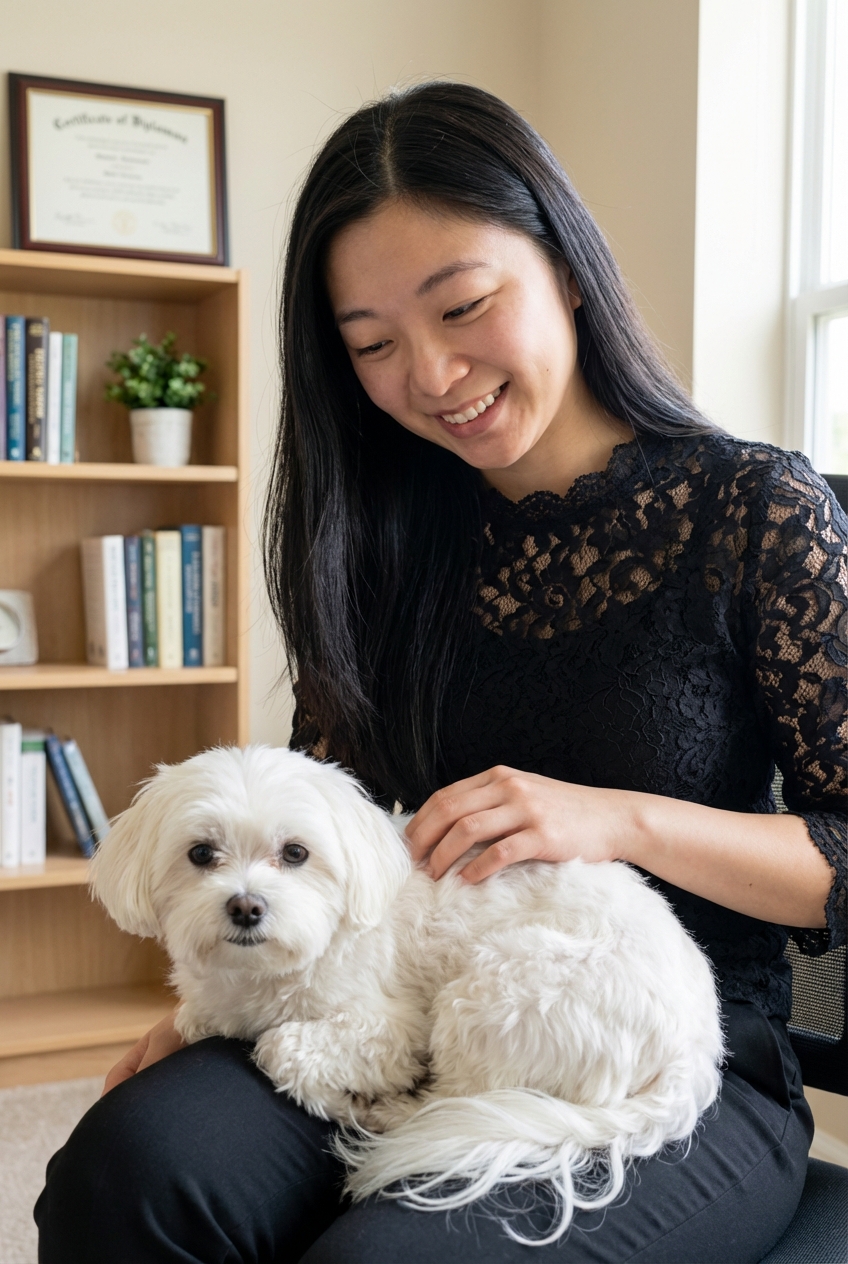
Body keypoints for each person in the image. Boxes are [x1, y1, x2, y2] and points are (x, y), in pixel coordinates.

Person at [36, 82, 846, 1264]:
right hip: (379, 1006)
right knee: (128, 1168)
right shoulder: (377, 546)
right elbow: (317, 837)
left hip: (683, 1054)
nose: (431, 373)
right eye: (371, 345)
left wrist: (618, 821)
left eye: (463, 305)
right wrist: (224, 991)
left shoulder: (751, 511)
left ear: (565, 266)